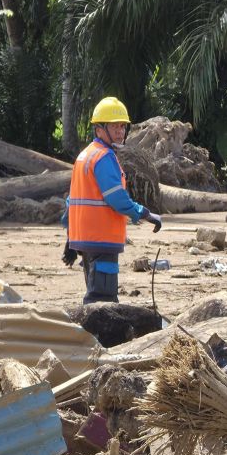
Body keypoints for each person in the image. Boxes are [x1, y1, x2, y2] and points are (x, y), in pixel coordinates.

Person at [62, 97, 162, 304]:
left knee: (94, 294)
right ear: (99, 129)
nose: (120, 131)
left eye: (122, 126)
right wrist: (144, 213)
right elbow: (116, 198)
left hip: (86, 238)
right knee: (102, 299)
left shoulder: (85, 155)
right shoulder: (104, 157)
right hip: (101, 238)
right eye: (114, 127)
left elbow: (71, 202)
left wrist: (70, 238)